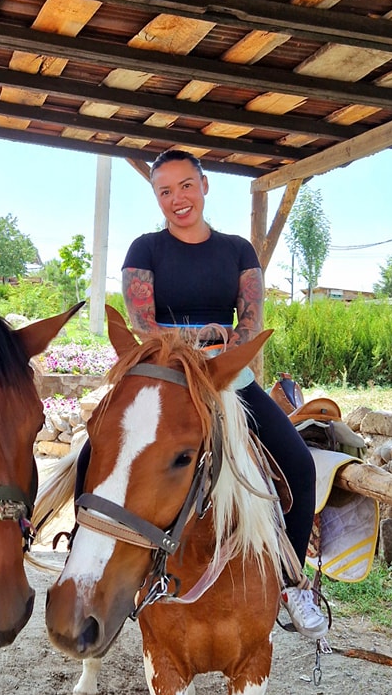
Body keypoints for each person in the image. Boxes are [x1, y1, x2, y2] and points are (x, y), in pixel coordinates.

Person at [120, 148, 327, 640]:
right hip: (163, 375)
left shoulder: (238, 250)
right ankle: (91, 568)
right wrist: (196, 337)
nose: (177, 199)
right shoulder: (144, 249)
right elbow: (142, 326)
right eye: (164, 191)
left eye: (185, 186)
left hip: (228, 376)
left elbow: (249, 324)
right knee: (98, 456)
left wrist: (224, 341)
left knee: (298, 464)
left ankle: (291, 583)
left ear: (205, 185)